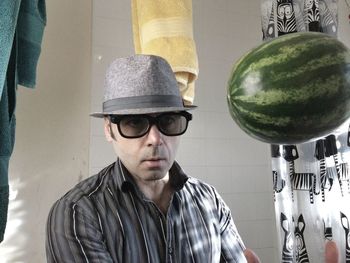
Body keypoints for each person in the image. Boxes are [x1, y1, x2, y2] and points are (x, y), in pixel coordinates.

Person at [45, 54, 339, 263]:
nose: (155, 138)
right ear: (109, 130)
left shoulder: (209, 201)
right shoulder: (76, 214)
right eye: (134, 124)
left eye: (168, 121)